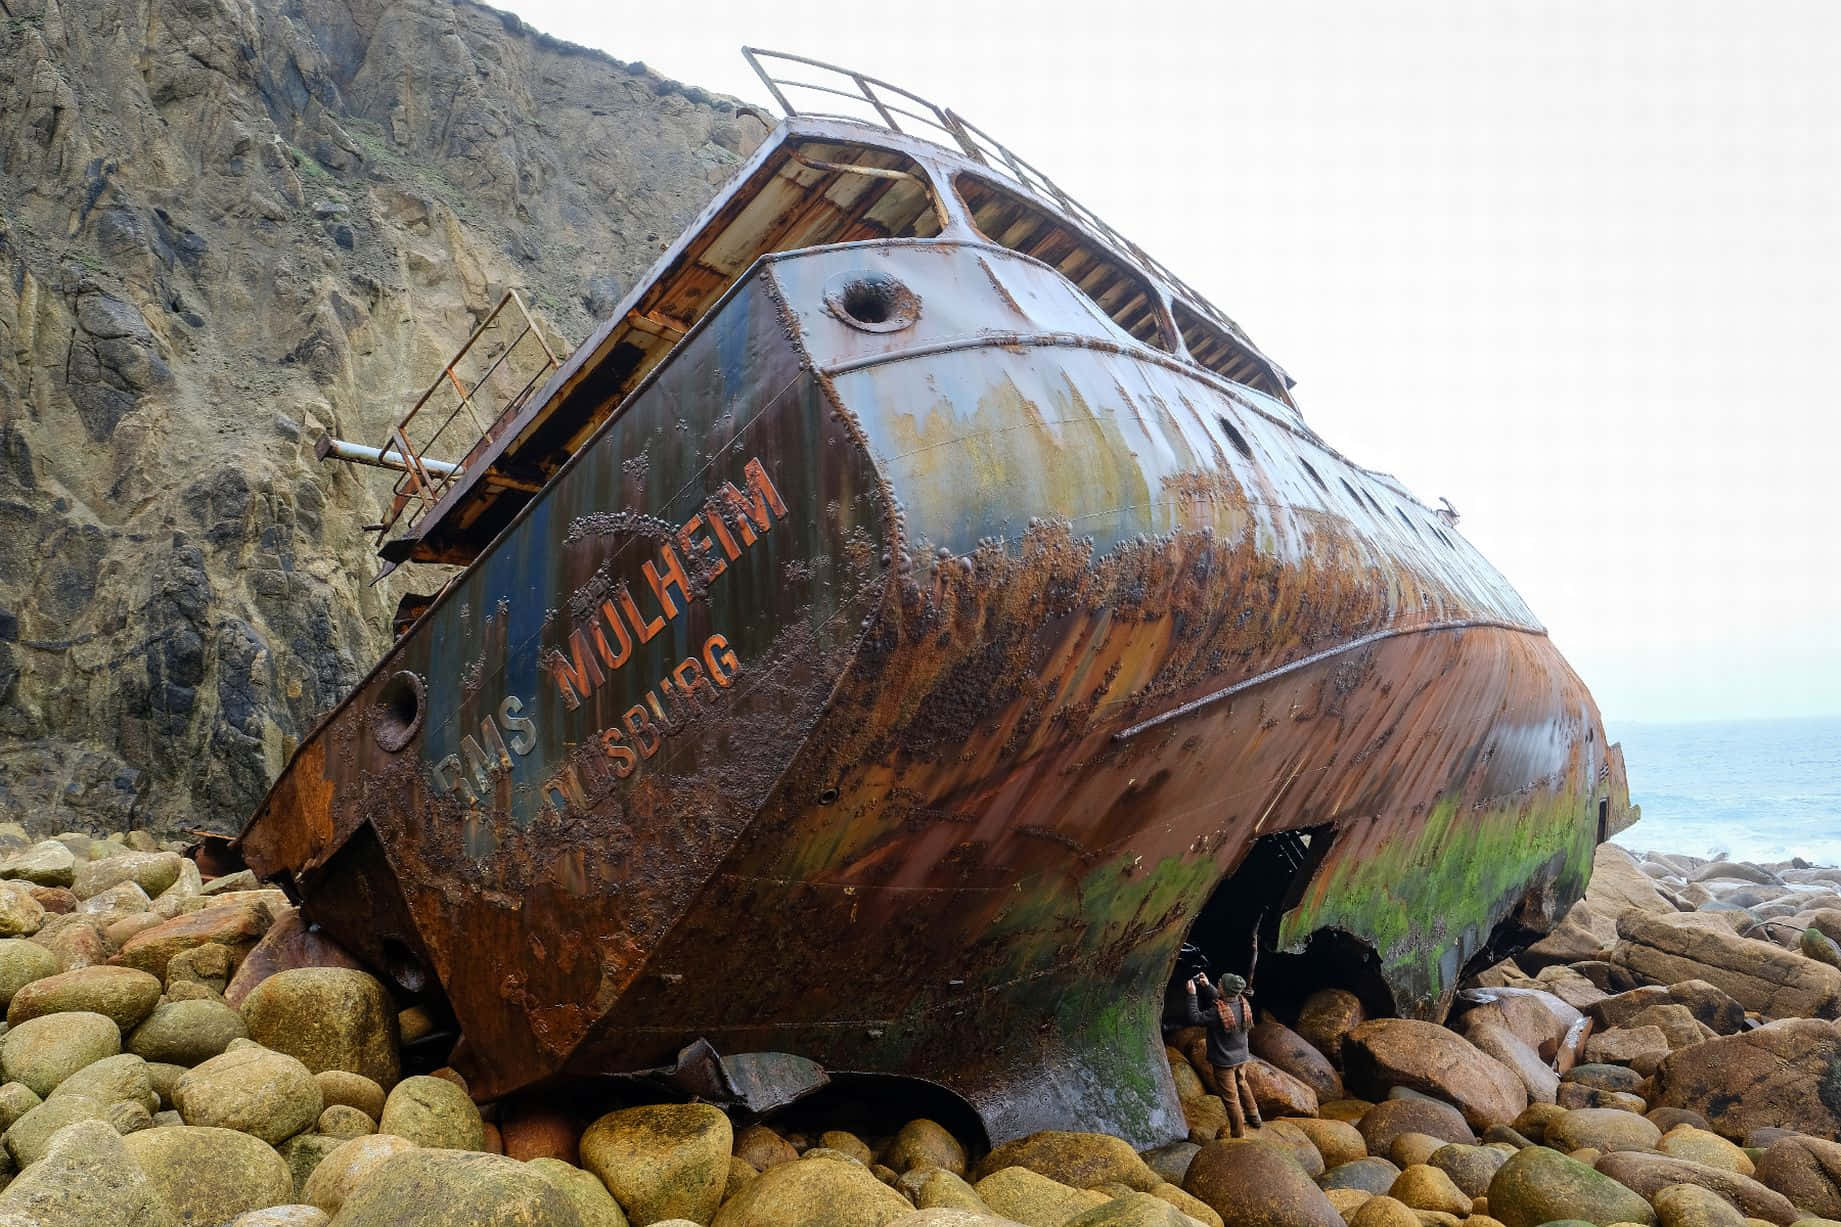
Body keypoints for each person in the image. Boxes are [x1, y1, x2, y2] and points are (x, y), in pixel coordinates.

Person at [1184, 970, 1261, 1136]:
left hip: (1224, 1062)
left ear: (1224, 990)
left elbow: (1195, 1018)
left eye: (1219, 983)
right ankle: (1255, 1117)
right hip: (1242, 1057)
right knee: (1242, 1083)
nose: (1218, 984)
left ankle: (1239, 1134)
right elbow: (1223, 1002)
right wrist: (1208, 986)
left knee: (1231, 1099)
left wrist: (1192, 995)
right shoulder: (1242, 1003)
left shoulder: (1216, 1014)